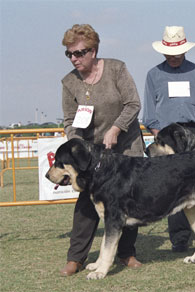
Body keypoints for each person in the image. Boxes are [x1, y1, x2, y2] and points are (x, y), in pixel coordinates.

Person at [60, 24, 144, 276]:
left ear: (93, 51)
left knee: (126, 201)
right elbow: (69, 119)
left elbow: (133, 103)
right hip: (91, 157)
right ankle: (76, 257)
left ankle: (126, 254)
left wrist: (116, 128)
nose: (74, 58)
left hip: (125, 148)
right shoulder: (68, 82)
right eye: (69, 54)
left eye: (79, 53)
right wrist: (76, 146)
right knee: (86, 205)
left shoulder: (117, 69)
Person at [142, 26, 195, 252]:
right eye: (169, 54)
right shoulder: (153, 75)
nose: (173, 58)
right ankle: (180, 238)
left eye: (177, 53)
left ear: (185, 50)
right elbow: (149, 111)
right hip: (167, 137)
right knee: (174, 187)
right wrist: (158, 135)